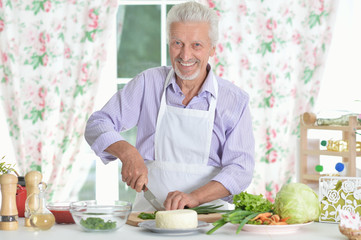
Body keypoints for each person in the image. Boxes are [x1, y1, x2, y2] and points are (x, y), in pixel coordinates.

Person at [84, 1, 255, 211]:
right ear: (168, 44)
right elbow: (97, 124)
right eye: (177, 43)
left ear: (212, 48)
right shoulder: (149, 84)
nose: (185, 55)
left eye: (196, 45)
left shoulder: (234, 100)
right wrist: (128, 152)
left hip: (209, 220)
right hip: (148, 216)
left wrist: (195, 197)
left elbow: (241, 169)